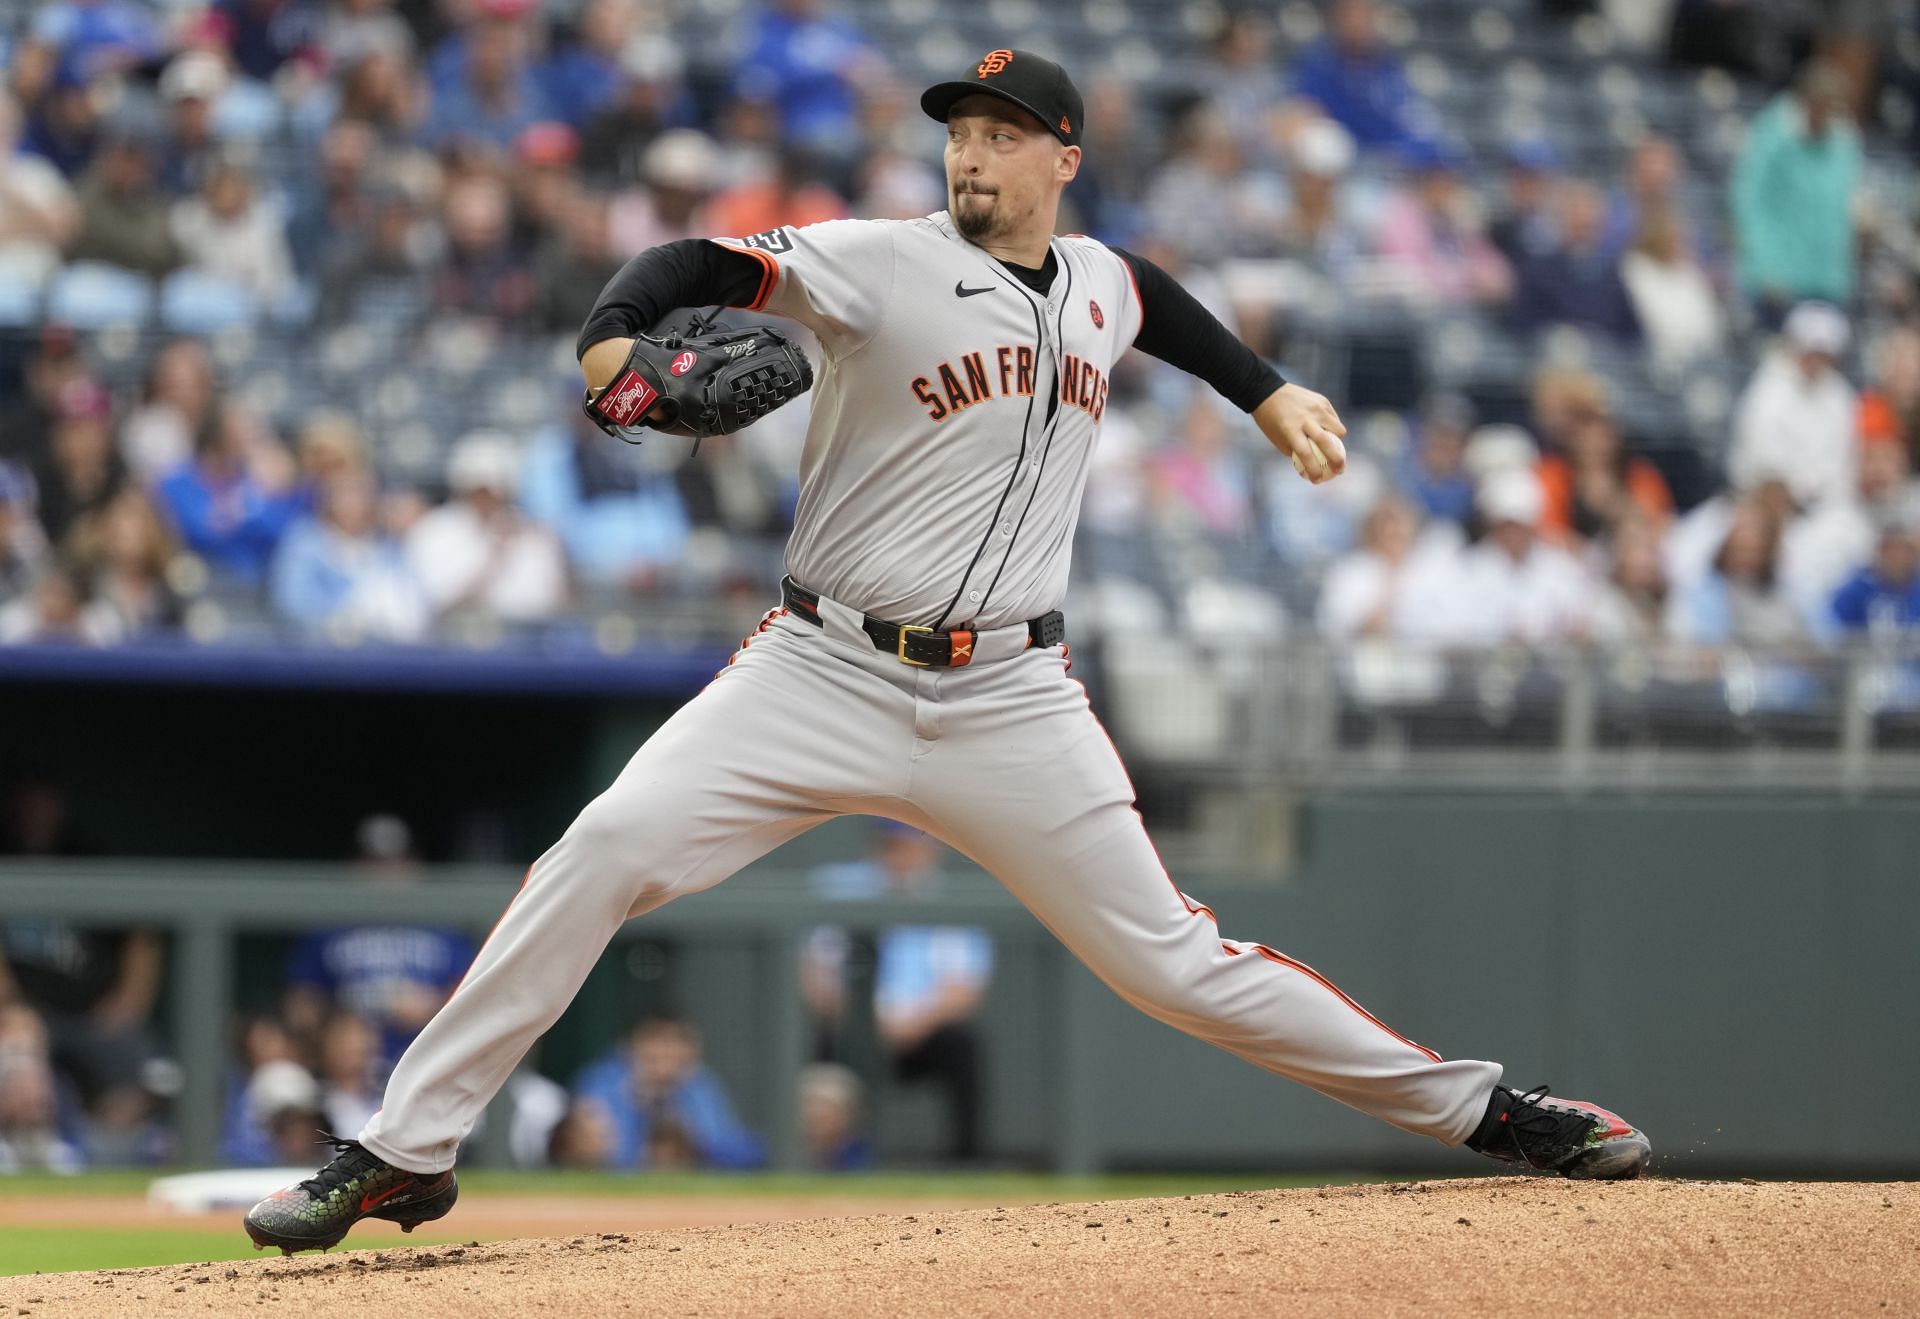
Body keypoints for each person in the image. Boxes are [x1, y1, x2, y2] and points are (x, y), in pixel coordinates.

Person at [245, 48, 1652, 1255]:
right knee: (602, 849)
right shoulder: (881, 261)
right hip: (822, 668)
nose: (970, 156)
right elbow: (697, 263)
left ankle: (1487, 1108)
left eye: (998, 138)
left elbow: (1152, 298)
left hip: (1010, 694)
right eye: (959, 136)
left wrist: (1267, 391)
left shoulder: (1095, 281)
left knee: (1175, 963)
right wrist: (614, 339)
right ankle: (406, 1146)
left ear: (1062, 158)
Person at [805, 822, 993, 1163]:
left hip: (920, 1032)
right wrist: (859, 1020)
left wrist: (910, 1025)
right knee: (811, 1044)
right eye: (892, 845)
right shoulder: (840, 885)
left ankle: (967, 1164)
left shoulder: (952, 898)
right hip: (849, 1024)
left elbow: (964, 990)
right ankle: (824, 1160)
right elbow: (815, 973)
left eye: (911, 846)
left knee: (964, 1046)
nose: (902, 856)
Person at [1731, 62, 1862, 320]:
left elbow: (1841, 208)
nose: (1829, 116)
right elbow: (1749, 203)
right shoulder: (1772, 136)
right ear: (1808, 102)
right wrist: (1764, 269)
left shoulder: (1844, 141)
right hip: (1777, 282)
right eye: (1824, 106)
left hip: (1827, 282)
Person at [567, 1015, 764, 1171]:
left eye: (673, 1048)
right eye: (653, 1051)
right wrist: (641, 1109)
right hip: (613, 1196)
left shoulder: (697, 1084)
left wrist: (687, 1130)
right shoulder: (603, 1080)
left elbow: (742, 1152)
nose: (663, 1062)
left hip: (684, 1195)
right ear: (630, 1048)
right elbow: (589, 1151)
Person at [1729, 301, 1858, 511]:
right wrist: (1796, 490)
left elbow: (1845, 458)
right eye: (1811, 350)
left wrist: (1818, 489)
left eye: (1823, 353)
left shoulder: (1840, 394)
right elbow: (1763, 459)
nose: (1816, 360)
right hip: (1766, 503)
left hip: (1825, 505)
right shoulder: (1768, 386)